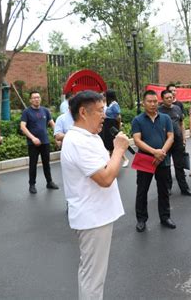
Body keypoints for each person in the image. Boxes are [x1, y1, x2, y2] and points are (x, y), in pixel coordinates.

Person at [61, 90, 129, 300]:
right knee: (93, 277)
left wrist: (116, 156)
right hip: (92, 218)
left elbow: (107, 165)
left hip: (98, 215)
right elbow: (106, 178)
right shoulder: (78, 141)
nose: (105, 115)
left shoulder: (90, 137)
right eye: (100, 110)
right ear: (83, 112)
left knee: (93, 274)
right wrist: (118, 149)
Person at [132, 90, 176, 232]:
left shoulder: (165, 118)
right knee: (142, 190)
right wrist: (154, 152)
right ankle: (141, 219)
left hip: (163, 160)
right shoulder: (138, 120)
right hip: (145, 160)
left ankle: (165, 217)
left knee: (163, 190)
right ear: (144, 103)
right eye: (149, 101)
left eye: (155, 101)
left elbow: (170, 137)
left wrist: (161, 152)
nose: (152, 104)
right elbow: (137, 140)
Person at [20, 91, 59, 194]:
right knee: (33, 164)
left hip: (45, 141)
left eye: (38, 97)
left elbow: (52, 124)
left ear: (40, 99)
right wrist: (33, 138)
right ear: (30, 100)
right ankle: (32, 185)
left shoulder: (45, 111)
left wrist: (57, 136)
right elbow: (22, 127)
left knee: (47, 163)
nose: (36, 99)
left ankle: (49, 182)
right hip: (32, 143)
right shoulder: (27, 112)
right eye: (34, 98)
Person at [158, 89, 191, 196]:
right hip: (164, 143)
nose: (169, 99)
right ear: (162, 99)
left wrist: (184, 138)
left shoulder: (177, 108)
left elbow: (181, 124)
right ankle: (168, 188)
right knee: (166, 167)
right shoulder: (158, 110)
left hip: (178, 142)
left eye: (171, 97)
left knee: (179, 166)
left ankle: (184, 189)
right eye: (167, 98)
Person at [100, 90, 129, 167]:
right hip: (107, 125)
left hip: (112, 125)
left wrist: (118, 127)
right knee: (110, 145)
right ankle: (110, 164)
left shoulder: (114, 104)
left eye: (105, 95)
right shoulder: (109, 104)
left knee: (113, 144)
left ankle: (115, 163)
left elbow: (118, 117)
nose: (105, 97)